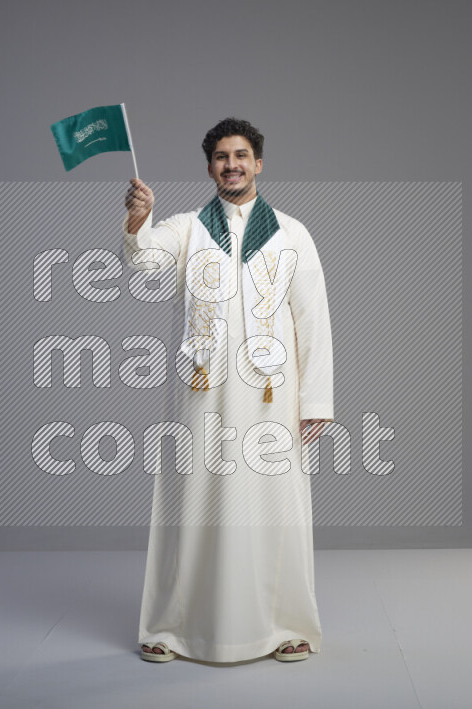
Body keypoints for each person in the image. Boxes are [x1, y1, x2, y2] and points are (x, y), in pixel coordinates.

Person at [122, 117, 334, 663]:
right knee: (192, 504)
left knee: (273, 506)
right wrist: (138, 221)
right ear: (210, 166)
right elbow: (144, 266)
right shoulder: (188, 228)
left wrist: (315, 402)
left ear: (258, 163)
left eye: (241, 155)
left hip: (271, 395)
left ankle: (284, 626)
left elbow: (312, 320)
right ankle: (173, 628)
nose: (231, 165)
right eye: (221, 157)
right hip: (202, 393)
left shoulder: (292, 232)